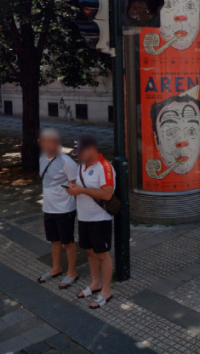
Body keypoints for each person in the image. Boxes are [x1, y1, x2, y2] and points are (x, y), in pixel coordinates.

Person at [66, 135, 115, 309]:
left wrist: (82, 190)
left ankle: (106, 290)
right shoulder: (82, 166)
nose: (78, 156)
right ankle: (95, 283)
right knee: (89, 251)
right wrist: (74, 189)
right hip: (84, 217)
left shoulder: (105, 167)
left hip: (100, 218)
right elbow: (80, 187)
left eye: (80, 152)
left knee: (102, 254)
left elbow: (107, 194)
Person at [36, 129, 80, 289]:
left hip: (65, 209)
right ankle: (56, 267)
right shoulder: (42, 158)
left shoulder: (67, 162)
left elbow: (75, 186)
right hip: (49, 207)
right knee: (54, 240)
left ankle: (72, 272)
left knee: (67, 241)